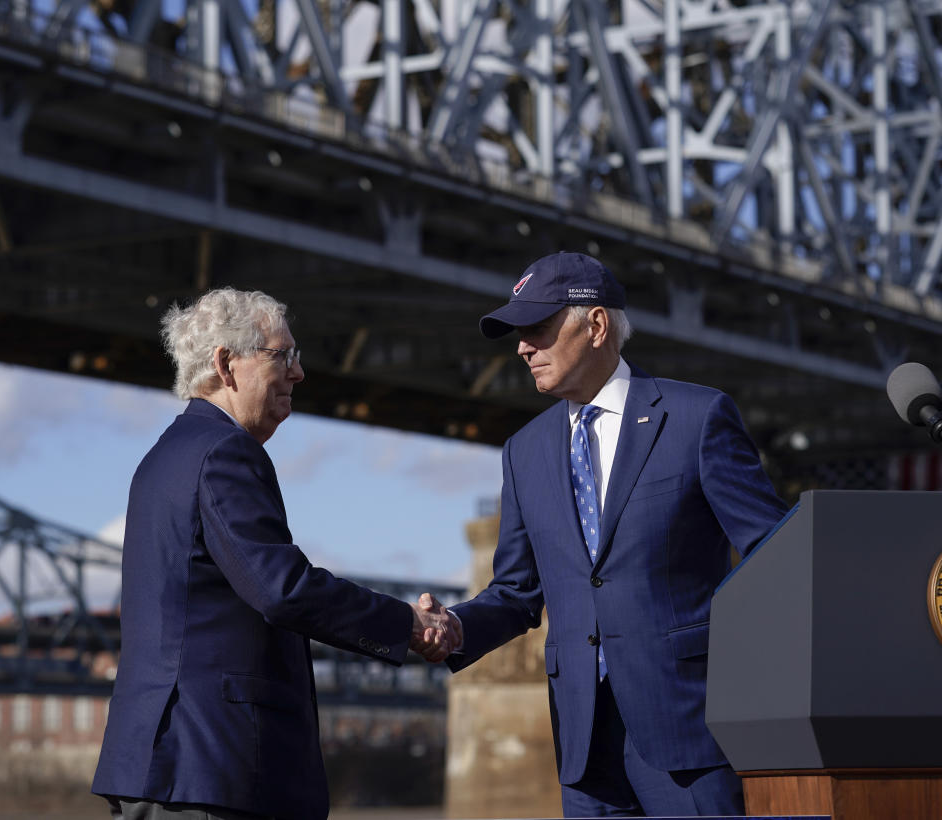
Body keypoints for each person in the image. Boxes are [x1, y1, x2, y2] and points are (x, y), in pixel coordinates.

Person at [426, 252, 788, 817]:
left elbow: (777, 554)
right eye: (519, 333)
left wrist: (753, 680)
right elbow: (517, 593)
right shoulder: (525, 452)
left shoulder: (697, 419)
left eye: (538, 328)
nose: (522, 347)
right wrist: (454, 626)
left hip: (689, 735)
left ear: (595, 326)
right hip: (583, 749)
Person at [91, 288, 454, 820]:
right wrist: (408, 623)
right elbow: (281, 589)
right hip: (215, 768)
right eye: (282, 356)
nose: (298, 373)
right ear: (225, 364)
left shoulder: (162, 458)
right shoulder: (225, 453)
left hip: (164, 765)